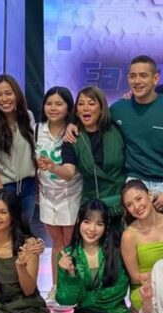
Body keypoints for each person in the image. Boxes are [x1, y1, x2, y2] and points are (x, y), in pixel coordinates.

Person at [111, 55, 163, 215]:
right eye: (133, 76)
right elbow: (93, 121)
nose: (137, 81)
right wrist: (73, 124)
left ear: (155, 78)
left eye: (143, 75)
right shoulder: (118, 109)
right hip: (133, 185)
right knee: (134, 232)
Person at [39, 86, 127, 227]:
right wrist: (53, 167)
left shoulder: (116, 128)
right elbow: (68, 173)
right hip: (92, 207)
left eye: (91, 103)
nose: (85, 108)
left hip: (121, 204)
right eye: (81, 104)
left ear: (101, 108)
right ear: (76, 110)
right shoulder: (72, 137)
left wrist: (129, 97)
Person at [34, 86, 80, 307]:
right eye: (49, 103)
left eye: (59, 104)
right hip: (47, 195)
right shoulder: (37, 129)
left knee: (70, 244)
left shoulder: (73, 131)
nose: (53, 108)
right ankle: (55, 286)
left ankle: (72, 287)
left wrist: (52, 166)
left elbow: (70, 171)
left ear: (68, 108)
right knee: (57, 243)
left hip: (71, 194)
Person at [0, 74, 38, 224]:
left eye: (9, 93)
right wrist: (1, 197)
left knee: (24, 230)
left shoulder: (28, 117)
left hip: (28, 186)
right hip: (2, 186)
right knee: (5, 231)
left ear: (17, 95)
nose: (4, 99)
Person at [120, 180, 163, 313]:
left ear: (149, 195)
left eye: (139, 199)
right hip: (145, 288)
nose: (136, 207)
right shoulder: (129, 235)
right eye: (129, 205)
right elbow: (135, 277)